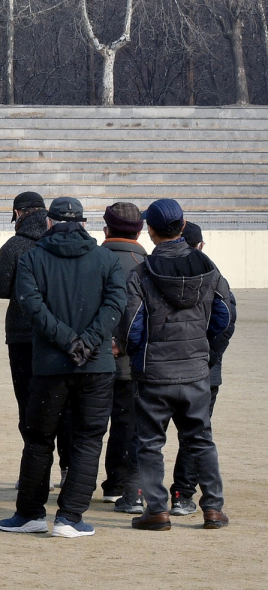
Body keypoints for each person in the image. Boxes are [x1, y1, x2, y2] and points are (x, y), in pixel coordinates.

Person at [0, 197, 126, 539]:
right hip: (95, 363)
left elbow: (31, 306)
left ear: (51, 222)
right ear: (84, 223)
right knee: (87, 439)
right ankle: (70, 516)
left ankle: (30, 513)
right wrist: (88, 340)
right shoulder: (106, 259)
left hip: (51, 363)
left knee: (39, 438)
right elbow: (116, 303)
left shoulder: (32, 258)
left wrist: (68, 340)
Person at [121, 200, 233, 531]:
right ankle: (212, 508)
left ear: (150, 231)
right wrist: (207, 351)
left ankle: (157, 510)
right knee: (200, 439)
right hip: (196, 371)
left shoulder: (141, 273)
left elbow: (131, 327)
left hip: (154, 374)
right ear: (183, 226)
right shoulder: (209, 267)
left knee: (150, 443)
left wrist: (139, 354)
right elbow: (225, 317)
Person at [0, 192, 73, 488]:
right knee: (62, 404)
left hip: (23, 333)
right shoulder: (60, 243)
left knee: (28, 404)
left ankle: (37, 471)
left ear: (18, 213)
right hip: (60, 332)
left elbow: (0, 288)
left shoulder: (14, 246)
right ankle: (67, 468)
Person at [169, 221, 236, 517]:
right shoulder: (214, 276)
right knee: (196, 434)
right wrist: (208, 357)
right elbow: (226, 321)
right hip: (202, 370)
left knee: (146, 435)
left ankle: (137, 492)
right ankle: (184, 495)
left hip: (161, 367)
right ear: (200, 246)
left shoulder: (151, 271)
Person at [97, 202, 148, 513]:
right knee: (126, 425)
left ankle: (79, 480)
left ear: (106, 229)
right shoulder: (147, 266)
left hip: (91, 357)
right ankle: (116, 484)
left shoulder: (92, 260)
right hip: (132, 363)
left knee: (87, 424)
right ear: (140, 231)